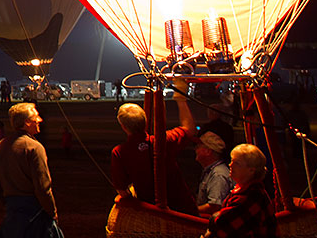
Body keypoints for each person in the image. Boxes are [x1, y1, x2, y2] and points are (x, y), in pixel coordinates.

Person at [112, 80, 197, 214]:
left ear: (123, 126)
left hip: (153, 214)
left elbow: (122, 190)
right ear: (145, 121)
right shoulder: (164, 140)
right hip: (184, 208)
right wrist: (181, 99)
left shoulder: (120, 153)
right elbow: (190, 130)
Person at [0, 102, 57, 238]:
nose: (40, 120)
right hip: (35, 216)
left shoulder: (1, 146)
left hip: (13, 215)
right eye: (36, 117)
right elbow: (43, 188)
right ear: (27, 122)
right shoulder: (34, 147)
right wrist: (52, 212)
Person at [201, 144, 276, 238]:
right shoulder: (242, 190)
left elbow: (221, 222)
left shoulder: (252, 196)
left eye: (237, 163)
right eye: (232, 161)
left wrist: (213, 221)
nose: (230, 165)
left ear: (251, 170)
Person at [194, 132, 233, 216]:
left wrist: (190, 210)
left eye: (198, 147)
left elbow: (214, 207)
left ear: (208, 151)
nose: (195, 149)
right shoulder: (212, 171)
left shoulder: (218, 174)